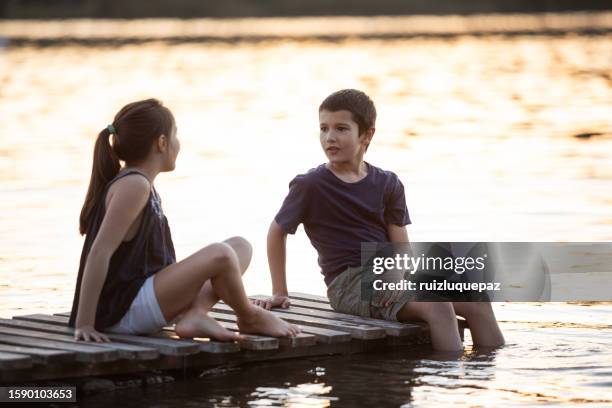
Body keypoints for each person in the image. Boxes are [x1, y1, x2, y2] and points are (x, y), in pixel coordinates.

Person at [254, 89, 504, 351]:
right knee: (439, 307)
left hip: (392, 273)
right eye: (323, 128)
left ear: (367, 134)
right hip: (349, 284)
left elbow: (401, 248)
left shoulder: (388, 183)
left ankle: (485, 379)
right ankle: (446, 382)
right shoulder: (311, 185)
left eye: (341, 129)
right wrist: (280, 291)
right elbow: (276, 232)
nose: (330, 137)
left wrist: (395, 275)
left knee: (476, 298)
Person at [68, 98, 300, 342]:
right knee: (220, 254)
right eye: (175, 135)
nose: (179, 143)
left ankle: (195, 315)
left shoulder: (138, 182)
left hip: (143, 299)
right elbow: (99, 252)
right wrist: (85, 323)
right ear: (162, 143)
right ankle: (249, 316)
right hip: (122, 313)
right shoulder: (133, 185)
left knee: (239, 247)